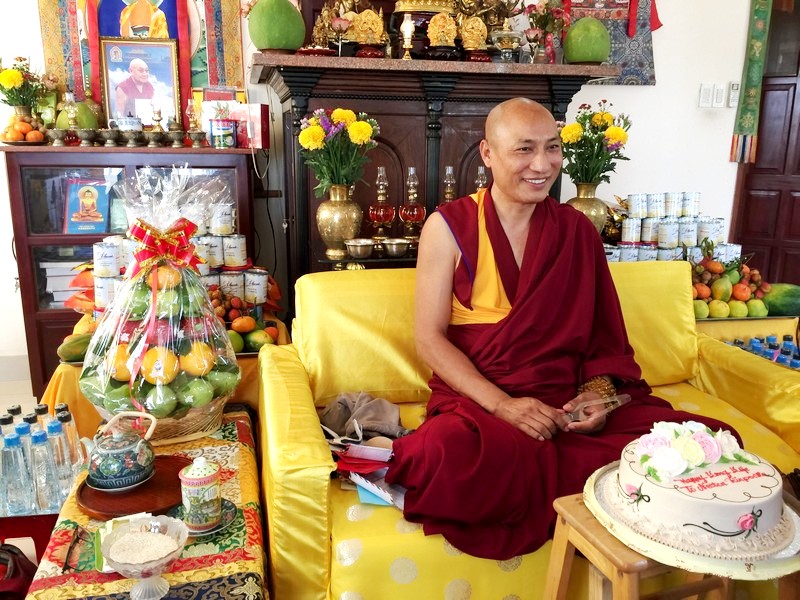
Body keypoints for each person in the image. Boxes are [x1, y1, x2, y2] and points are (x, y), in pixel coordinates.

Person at [383, 98, 736, 560]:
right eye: (524, 149)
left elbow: (603, 338)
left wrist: (597, 396)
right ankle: (596, 494)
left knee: (706, 444)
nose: (542, 164)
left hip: (564, 402)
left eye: (552, 147)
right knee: (444, 452)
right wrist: (504, 406)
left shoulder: (576, 231)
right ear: (488, 153)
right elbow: (429, 338)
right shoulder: (449, 227)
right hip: (483, 402)